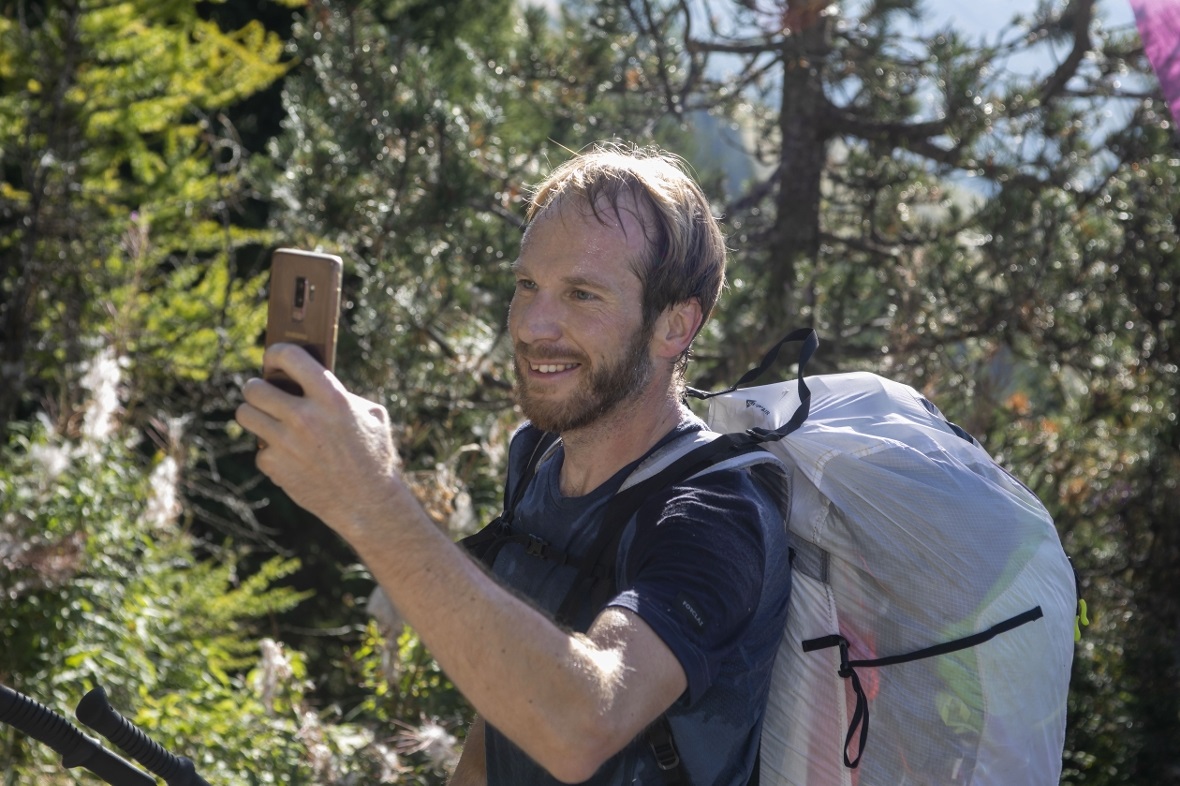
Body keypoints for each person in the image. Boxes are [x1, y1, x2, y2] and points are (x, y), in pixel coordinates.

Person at [236, 143, 792, 785]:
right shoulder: (539, 458)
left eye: (582, 294)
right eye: (527, 285)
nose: (532, 326)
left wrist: (371, 499)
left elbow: (584, 723)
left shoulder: (717, 515)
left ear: (675, 327)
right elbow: (504, 719)